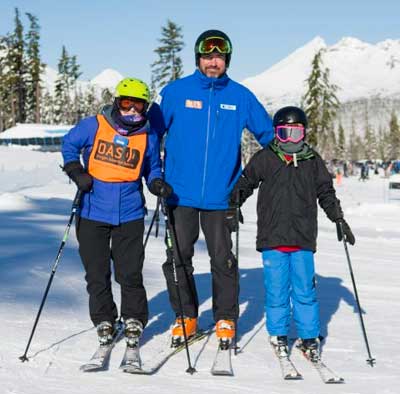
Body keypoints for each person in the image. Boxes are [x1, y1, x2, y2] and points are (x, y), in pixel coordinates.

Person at [156, 29, 274, 346]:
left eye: (219, 57)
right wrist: (154, 176)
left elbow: (270, 139)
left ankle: (225, 318)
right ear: (198, 59)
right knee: (177, 258)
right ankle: (186, 316)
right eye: (207, 57)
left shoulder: (240, 96)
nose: (213, 62)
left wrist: (291, 164)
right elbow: (150, 136)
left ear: (227, 60)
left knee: (223, 260)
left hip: (223, 197)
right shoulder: (175, 92)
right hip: (178, 194)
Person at [230, 106, 355, 361]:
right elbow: (246, 183)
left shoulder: (312, 160)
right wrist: (234, 204)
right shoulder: (266, 158)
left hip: (303, 239)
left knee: (304, 290)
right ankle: (278, 333)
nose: (290, 140)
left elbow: (326, 193)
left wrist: (338, 218)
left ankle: (309, 336)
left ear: (304, 134)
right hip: (272, 238)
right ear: (276, 133)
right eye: (284, 134)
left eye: (295, 134)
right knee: (276, 290)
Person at [62, 78, 172, 348]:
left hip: (130, 214)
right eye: (126, 104)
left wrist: (156, 182)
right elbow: (68, 144)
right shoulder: (94, 125)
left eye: (139, 105)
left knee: (130, 272)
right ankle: (104, 319)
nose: (132, 111)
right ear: (117, 102)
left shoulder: (148, 134)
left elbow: (151, 167)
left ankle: (134, 317)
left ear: (145, 108)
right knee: (97, 273)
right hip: (92, 212)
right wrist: (76, 171)